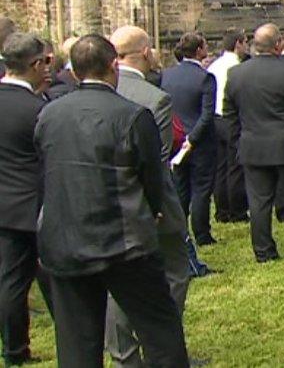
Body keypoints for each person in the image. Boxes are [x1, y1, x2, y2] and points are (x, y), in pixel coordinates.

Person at [35, 35, 189, 368]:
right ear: (113, 65)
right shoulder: (133, 115)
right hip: (124, 242)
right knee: (160, 331)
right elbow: (151, 177)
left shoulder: (49, 114)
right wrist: (154, 211)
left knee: (77, 340)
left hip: (67, 236)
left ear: (75, 72)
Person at [107, 26, 192, 367]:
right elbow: (154, 161)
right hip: (151, 204)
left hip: (109, 202)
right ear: (144, 52)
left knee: (121, 284)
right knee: (174, 273)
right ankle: (166, 350)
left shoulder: (94, 93)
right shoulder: (153, 97)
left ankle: (124, 356)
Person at [224, 24, 284, 262]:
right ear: (278, 45)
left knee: (258, 201)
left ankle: (264, 251)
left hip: (253, 144)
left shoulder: (237, 74)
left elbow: (230, 114)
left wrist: (238, 142)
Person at [0, 32, 53, 366]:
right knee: (60, 279)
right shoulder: (38, 109)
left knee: (11, 282)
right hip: (36, 207)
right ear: (34, 65)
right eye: (46, 62)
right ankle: (78, 336)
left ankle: (14, 350)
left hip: (5, 207)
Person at [162, 32, 218, 246]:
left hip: (175, 139)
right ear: (199, 51)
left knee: (180, 187)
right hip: (200, 141)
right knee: (201, 189)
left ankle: (180, 229)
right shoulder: (205, 77)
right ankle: (202, 233)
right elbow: (207, 113)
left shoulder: (167, 75)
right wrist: (192, 138)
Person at [209, 29, 249, 224]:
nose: (247, 47)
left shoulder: (214, 65)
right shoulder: (236, 67)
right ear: (238, 44)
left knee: (221, 166)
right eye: (245, 42)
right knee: (235, 165)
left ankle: (222, 210)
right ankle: (237, 210)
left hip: (215, 118)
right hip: (230, 119)